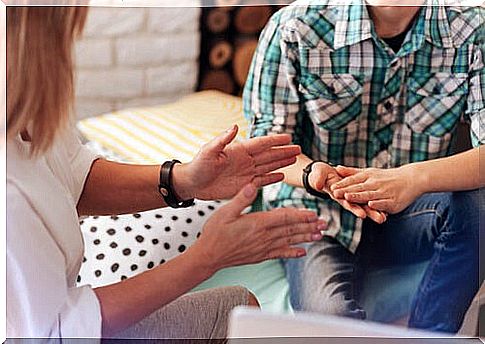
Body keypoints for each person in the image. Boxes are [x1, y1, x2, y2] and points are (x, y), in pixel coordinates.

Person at [6, 6, 328, 339]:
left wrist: (183, 181)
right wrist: (207, 257)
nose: (71, 49)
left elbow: (74, 177)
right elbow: (59, 333)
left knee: (236, 309)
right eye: (66, 33)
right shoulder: (8, 196)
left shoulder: (27, 114)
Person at [244, 0, 483, 333]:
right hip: (318, 218)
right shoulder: (293, 27)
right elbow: (266, 149)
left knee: (478, 206)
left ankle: (428, 337)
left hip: (411, 215)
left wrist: (413, 179)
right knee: (330, 322)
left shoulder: (474, 29)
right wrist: (317, 176)